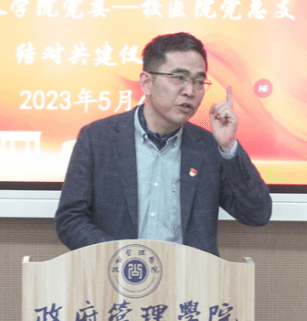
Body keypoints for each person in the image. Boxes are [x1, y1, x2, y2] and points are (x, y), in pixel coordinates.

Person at [55, 32, 271, 257]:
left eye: (198, 82)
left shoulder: (208, 148)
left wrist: (228, 148)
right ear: (146, 83)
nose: (190, 91)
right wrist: (122, 256)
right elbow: (70, 219)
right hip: (119, 274)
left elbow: (257, 214)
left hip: (190, 277)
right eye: (179, 78)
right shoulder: (98, 138)